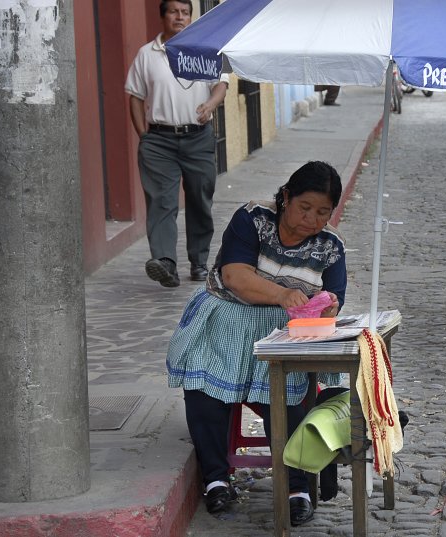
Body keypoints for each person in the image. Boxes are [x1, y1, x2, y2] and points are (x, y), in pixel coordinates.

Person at [165, 161, 347, 526]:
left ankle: (298, 487)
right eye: (304, 207)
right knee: (204, 388)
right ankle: (216, 479)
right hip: (227, 314)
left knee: (288, 394)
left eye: (323, 212)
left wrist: (324, 305)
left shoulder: (330, 247)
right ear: (285, 198)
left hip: (285, 330)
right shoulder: (252, 219)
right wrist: (283, 294)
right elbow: (235, 276)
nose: (312, 219)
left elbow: (333, 299)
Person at [125, 0, 229, 288]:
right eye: (174, 12)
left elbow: (221, 83)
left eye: (185, 12)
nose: (179, 17)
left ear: (191, 17)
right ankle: (165, 263)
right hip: (159, 140)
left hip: (198, 137)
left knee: (199, 198)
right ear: (163, 17)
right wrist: (143, 135)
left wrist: (210, 104)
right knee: (161, 202)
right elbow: (134, 95)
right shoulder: (147, 55)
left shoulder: (205, 49)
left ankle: (198, 262)